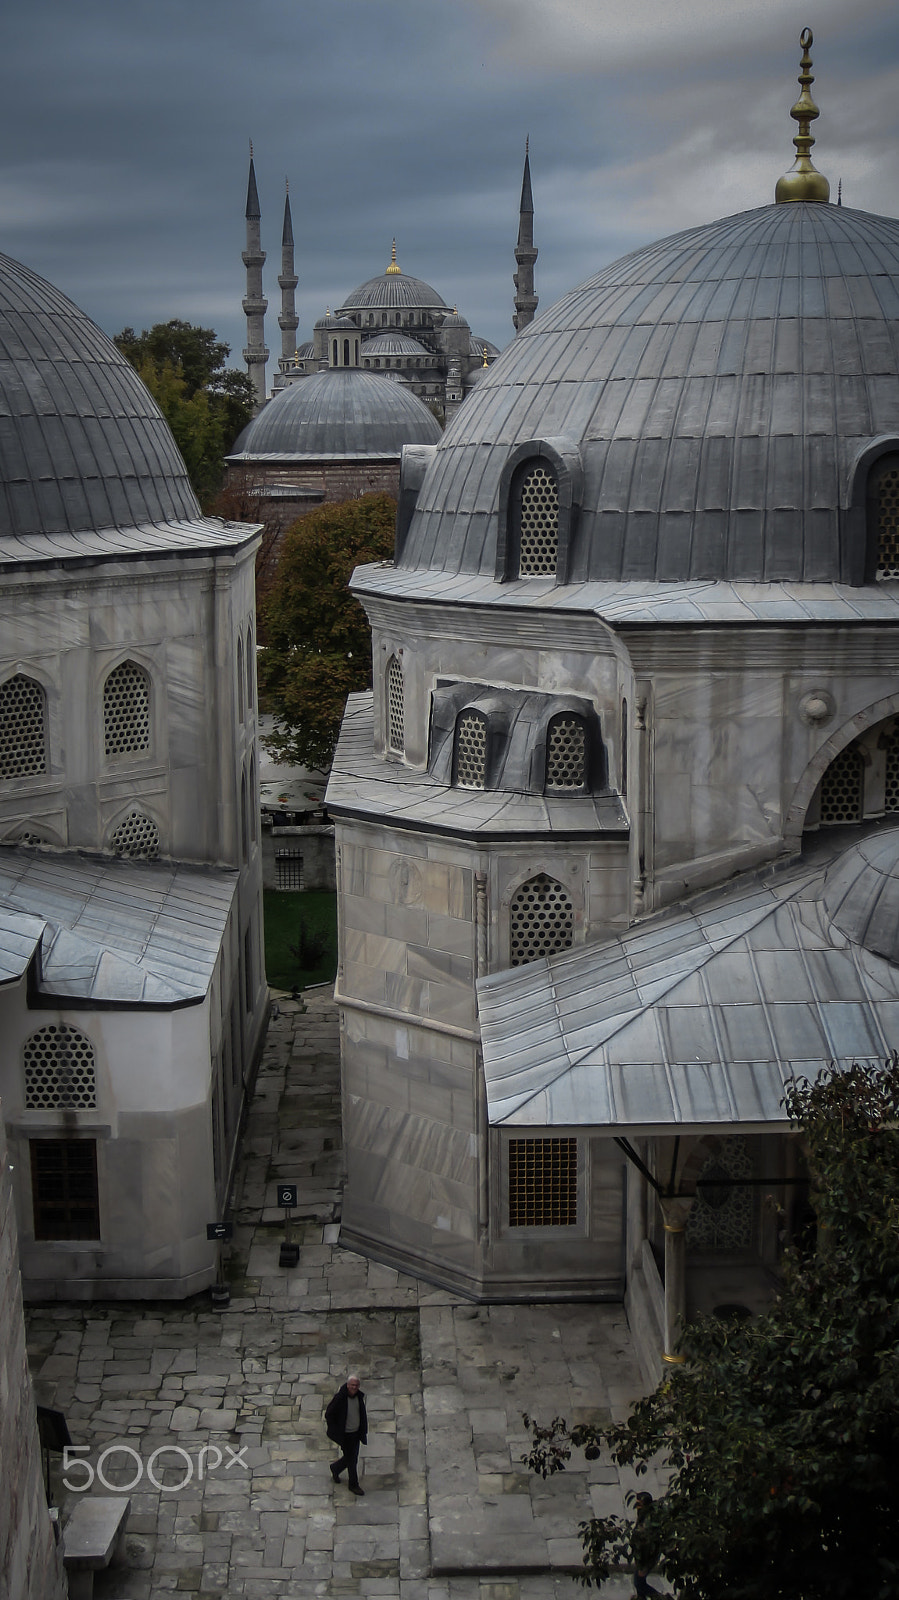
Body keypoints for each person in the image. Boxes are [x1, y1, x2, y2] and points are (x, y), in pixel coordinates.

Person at [325, 1373, 368, 1495]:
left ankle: (336, 1468)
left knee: (351, 1458)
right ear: (348, 1385)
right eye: (352, 1385)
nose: (354, 1387)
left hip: (356, 1433)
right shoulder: (340, 1398)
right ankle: (353, 1485)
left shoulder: (359, 1397)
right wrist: (336, 1430)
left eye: (356, 1385)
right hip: (345, 1435)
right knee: (352, 1460)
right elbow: (329, 1414)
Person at [632, 1491, 667, 1598]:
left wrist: (643, 1566)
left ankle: (660, 1598)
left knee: (639, 1583)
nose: (637, 1506)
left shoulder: (648, 1522)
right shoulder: (645, 1514)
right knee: (638, 1584)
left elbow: (646, 1545)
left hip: (646, 1558)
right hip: (643, 1558)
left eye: (640, 1504)